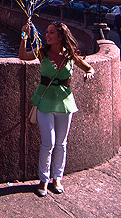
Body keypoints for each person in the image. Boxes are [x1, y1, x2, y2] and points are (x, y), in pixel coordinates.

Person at [19, 21, 94, 197]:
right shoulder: (42, 52)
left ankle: (57, 178)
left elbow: (88, 68)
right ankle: (43, 180)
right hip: (44, 102)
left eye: (51, 32)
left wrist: (88, 74)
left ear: (60, 36)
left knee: (61, 143)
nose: (47, 35)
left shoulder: (70, 56)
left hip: (65, 103)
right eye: (47, 32)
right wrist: (24, 36)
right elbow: (23, 56)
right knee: (49, 143)